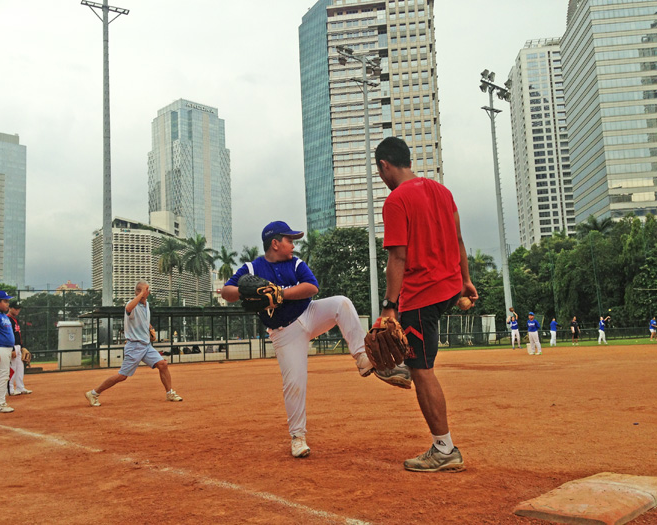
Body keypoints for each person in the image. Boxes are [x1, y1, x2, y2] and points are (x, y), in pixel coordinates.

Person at [221, 220, 410, 459]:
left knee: (341, 303)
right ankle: (298, 437)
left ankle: (362, 357)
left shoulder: (296, 263)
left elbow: (312, 287)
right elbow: (227, 292)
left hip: (310, 314)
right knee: (295, 384)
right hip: (284, 332)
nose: (293, 244)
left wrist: (279, 294)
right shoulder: (252, 267)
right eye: (289, 240)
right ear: (275, 243)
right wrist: (245, 292)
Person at [375, 137, 478, 473]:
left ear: (384, 166)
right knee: (413, 356)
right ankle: (401, 366)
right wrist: (465, 279)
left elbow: (398, 256)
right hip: (448, 286)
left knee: (424, 370)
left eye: (380, 171)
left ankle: (444, 448)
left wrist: (390, 305)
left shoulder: (395, 200)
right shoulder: (442, 192)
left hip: (423, 293)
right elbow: (459, 239)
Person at [84, 281, 183, 407]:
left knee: (163, 364)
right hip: (134, 346)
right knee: (122, 376)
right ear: (139, 292)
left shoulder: (146, 305)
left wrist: (150, 328)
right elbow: (128, 309)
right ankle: (93, 393)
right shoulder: (132, 305)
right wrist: (141, 293)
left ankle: (169, 393)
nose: (149, 291)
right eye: (146, 289)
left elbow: (144, 320)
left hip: (146, 346)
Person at [7, 302, 32, 395]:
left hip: (18, 346)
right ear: (10, 308)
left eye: (19, 308)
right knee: (12, 368)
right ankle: (9, 389)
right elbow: (9, 335)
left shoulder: (15, 320)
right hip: (11, 346)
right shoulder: (7, 319)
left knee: (20, 368)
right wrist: (12, 348)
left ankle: (20, 387)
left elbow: (18, 336)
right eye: (15, 308)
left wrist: (22, 347)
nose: (17, 310)